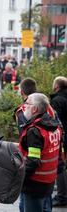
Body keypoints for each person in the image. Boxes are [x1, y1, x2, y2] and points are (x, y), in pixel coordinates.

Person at [19, 93, 61, 212]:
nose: (24, 106)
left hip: (35, 184)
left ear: (34, 109)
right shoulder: (54, 126)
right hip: (49, 180)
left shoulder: (35, 131)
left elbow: (33, 161)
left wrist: (20, 178)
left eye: (26, 103)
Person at [50, 76, 67, 207]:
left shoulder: (57, 100)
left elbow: (55, 121)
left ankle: (61, 196)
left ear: (56, 86)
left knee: (59, 165)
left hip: (61, 136)